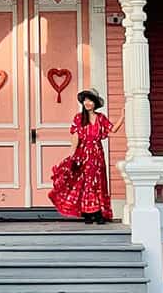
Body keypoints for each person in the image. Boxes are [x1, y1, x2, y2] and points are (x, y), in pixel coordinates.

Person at [48, 89, 122, 223]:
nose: (87, 103)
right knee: (86, 182)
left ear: (95, 103)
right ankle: (88, 213)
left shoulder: (101, 118)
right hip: (83, 154)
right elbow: (75, 137)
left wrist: (123, 117)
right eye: (85, 100)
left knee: (98, 181)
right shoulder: (78, 118)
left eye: (90, 100)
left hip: (97, 154)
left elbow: (113, 129)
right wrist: (72, 155)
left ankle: (99, 213)